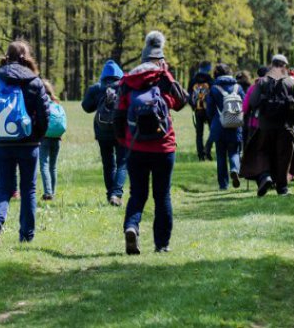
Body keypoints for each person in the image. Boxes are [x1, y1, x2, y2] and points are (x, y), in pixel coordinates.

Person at [114, 31, 187, 255]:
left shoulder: (128, 81)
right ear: (160, 59)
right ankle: (162, 245)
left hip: (136, 147)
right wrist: (168, 75)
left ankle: (131, 227)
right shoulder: (163, 79)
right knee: (162, 195)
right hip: (163, 147)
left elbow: (118, 116)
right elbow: (183, 101)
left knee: (137, 194)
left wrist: (125, 141)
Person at [0, 40, 51, 245]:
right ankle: (26, 236)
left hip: (2, 144)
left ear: (7, 56)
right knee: (28, 189)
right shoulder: (35, 81)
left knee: (3, 188)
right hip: (29, 145)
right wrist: (37, 135)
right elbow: (45, 115)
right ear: (26, 57)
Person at [241, 55, 294, 197]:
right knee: (283, 156)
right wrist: (293, 122)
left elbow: (253, 102)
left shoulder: (262, 82)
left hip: (265, 126)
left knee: (262, 152)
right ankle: (282, 188)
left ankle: (265, 177)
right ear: (284, 66)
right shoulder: (291, 83)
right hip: (285, 127)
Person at [82, 60, 127, 206]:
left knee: (108, 164)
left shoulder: (97, 88)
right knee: (122, 163)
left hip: (102, 132)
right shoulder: (125, 86)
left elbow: (86, 107)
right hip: (121, 131)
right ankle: (116, 194)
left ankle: (110, 195)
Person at [207, 64, 245, 190]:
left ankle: (223, 184)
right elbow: (244, 105)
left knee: (221, 156)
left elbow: (210, 110)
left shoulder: (214, 89)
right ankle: (234, 169)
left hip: (219, 126)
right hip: (235, 125)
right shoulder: (238, 87)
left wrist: (212, 121)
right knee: (234, 151)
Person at [39, 80, 67, 201]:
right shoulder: (57, 103)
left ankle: (48, 192)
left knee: (44, 165)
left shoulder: (41, 103)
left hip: (44, 138)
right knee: (53, 166)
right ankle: (52, 192)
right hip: (57, 138)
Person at [187, 62, 214, 161]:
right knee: (213, 131)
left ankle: (200, 155)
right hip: (209, 110)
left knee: (199, 133)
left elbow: (188, 95)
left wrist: (193, 106)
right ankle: (207, 149)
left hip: (198, 110)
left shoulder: (193, 80)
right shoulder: (210, 80)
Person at [242, 66, 268, 144]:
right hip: (269, 123)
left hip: (254, 122)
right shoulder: (273, 87)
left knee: (253, 147)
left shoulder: (252, 88)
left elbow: (245, 108)